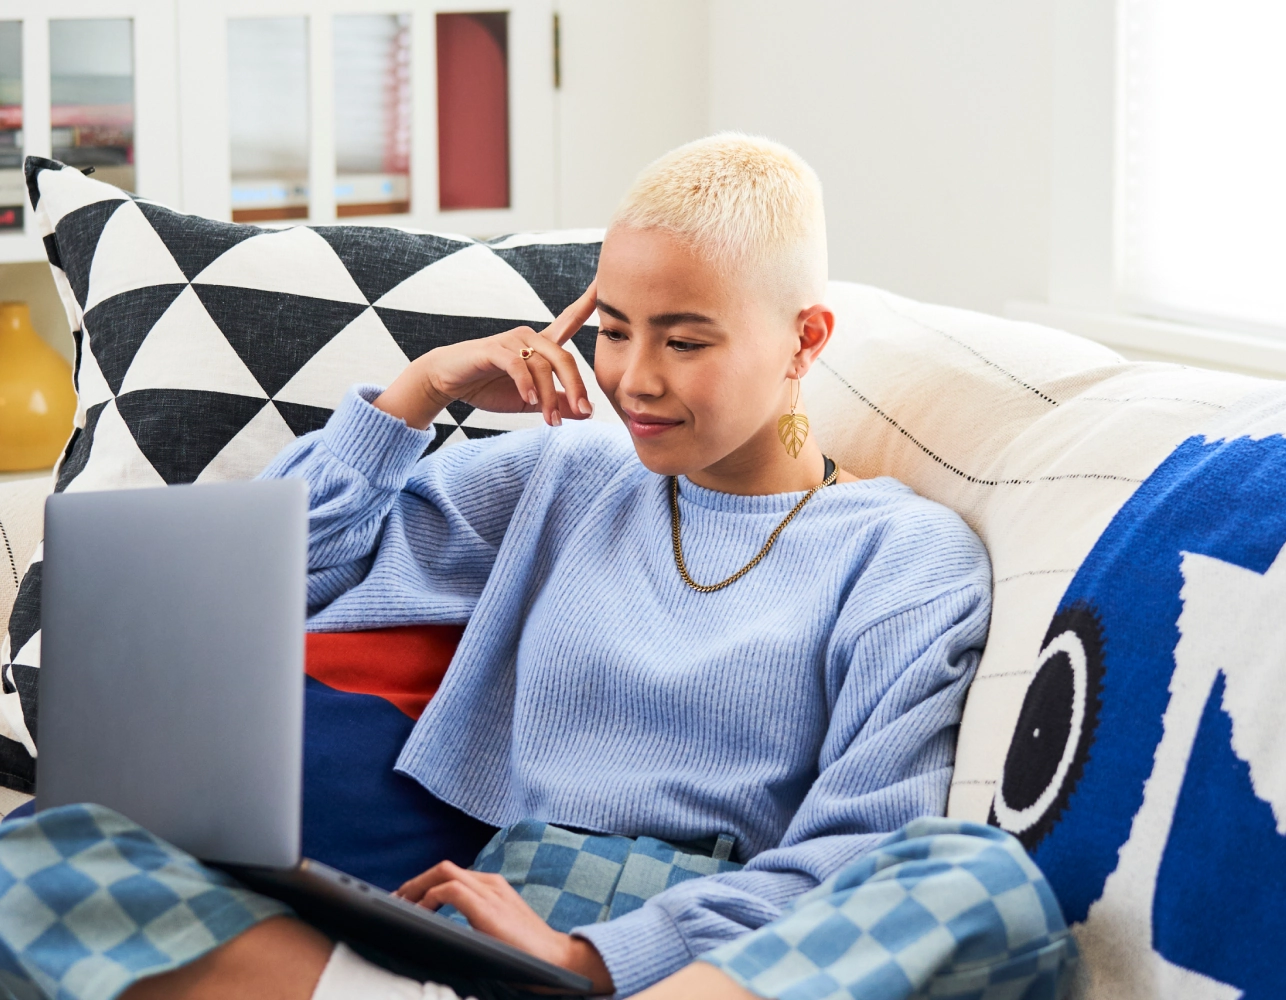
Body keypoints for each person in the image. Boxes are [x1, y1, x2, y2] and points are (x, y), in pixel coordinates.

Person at [0, 135, 1075, 999]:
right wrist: (420, 391)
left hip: (699, 955)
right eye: (612, 330)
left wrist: (598, 958)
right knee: (37, 856)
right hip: (473, 916)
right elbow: (283, 576)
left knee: (973, 881)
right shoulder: (564, 479)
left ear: (803, 339)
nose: (633, 378)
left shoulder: (906, 558)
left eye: (683, 340)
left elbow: (854, 851)